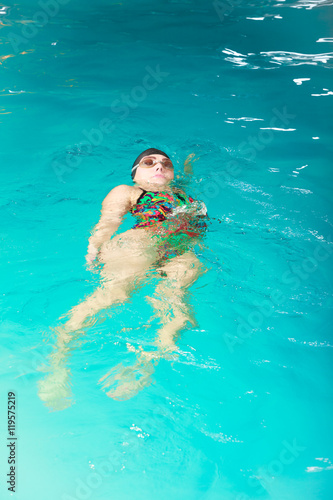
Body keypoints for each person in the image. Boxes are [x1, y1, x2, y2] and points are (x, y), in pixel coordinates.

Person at [38, 148, 209, 407]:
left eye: (166, 164)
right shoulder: (128, 191)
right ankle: (57, 362)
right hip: (141, 243)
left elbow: (186, 183)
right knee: (111, 296)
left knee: (178, 309)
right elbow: (108, 221)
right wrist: (94, 249)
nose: (159, 167)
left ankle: (147, 362)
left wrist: (188, 167)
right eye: (149, 163)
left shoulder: (182, 194)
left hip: (182, 252)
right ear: (135, 174)